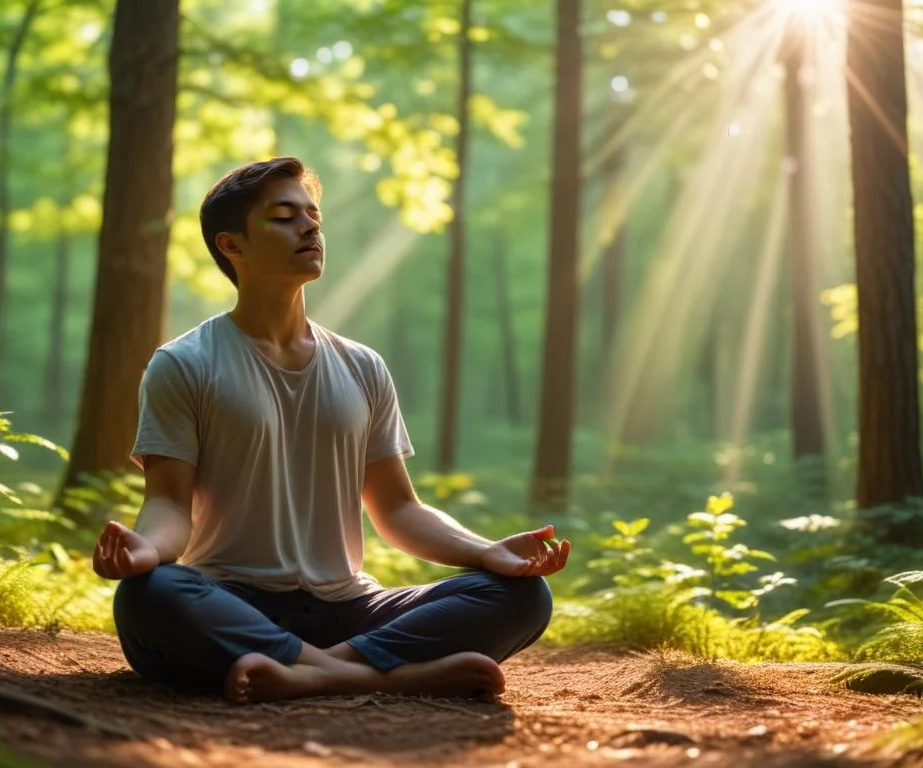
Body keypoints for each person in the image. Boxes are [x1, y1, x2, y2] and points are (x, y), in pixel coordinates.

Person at [91, 157, 570, 705]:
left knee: (523, 595)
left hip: (349, 609)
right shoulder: (183, 364)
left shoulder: (363, 366)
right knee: (151, 594)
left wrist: (488, 552)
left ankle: (312, 672)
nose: (310, 227)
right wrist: (145, 552)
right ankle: (382, 675)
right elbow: (170, 506)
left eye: (313, 215)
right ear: (233, 246)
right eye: (284, 216)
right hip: (233, 602)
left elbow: (399, 510)